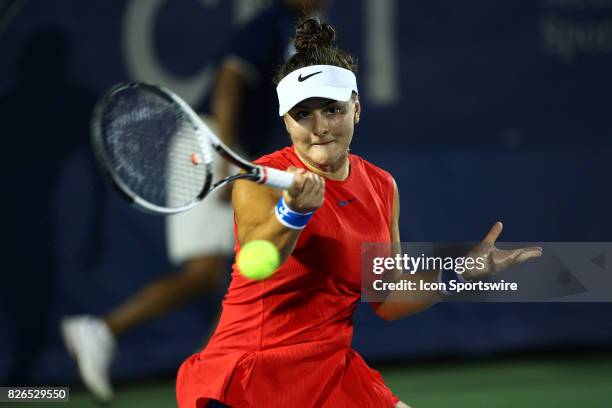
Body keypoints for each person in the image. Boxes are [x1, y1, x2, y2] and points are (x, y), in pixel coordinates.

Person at [176, 17, 542, 407]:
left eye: (332, 110)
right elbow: (255, 263)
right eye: (302, 115)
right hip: (252, 374)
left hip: (332, 373)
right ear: (285, 122)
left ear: (356, 110)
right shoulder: (260, 181)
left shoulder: (382, 186)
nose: (319, 127)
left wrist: (459, 277)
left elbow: (385, 298)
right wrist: (292, 213)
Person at [60, 0, 328, 402]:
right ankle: (102, 331)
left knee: (242, 273)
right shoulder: (268, 24)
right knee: (207, 273)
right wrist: (224, 153)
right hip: (212, 144)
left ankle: (220, 375)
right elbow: (229, 78)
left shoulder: (294, 27)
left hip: (234, 148)